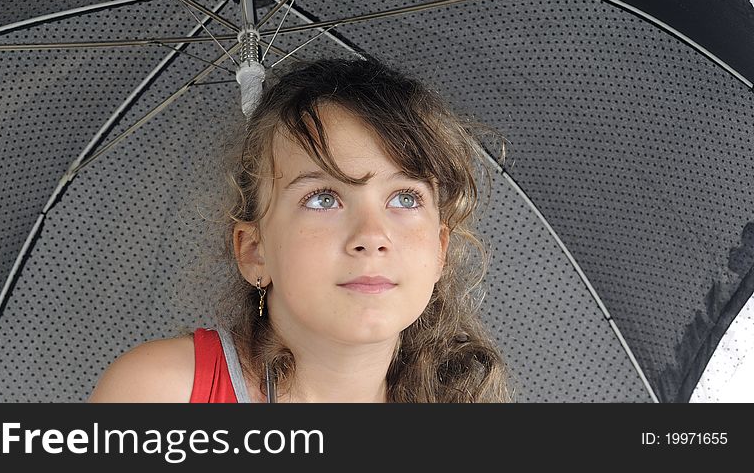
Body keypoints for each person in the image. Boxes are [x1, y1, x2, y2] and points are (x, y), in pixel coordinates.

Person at [88, 56, 513, 403]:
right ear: (255, 251)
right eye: (323, 199)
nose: (372, 236)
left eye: (405, 198)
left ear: (440, 249)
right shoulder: (162, 393)